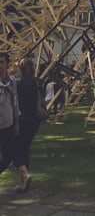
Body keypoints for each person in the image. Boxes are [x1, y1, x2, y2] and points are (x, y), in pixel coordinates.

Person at [13, 59, 42, 192]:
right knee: (24, 149)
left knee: (15, 151)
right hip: (34, 122)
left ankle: (25, 174)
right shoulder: (36, 83)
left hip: (22, 121)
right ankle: (22, 181)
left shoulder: (19, 85)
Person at [0, 52, 20, 177]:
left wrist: (17, 124)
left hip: (7, 124)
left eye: (1, 62)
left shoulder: (11, 81)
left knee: (8, 156)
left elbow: (15, 103)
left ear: (7, 64)